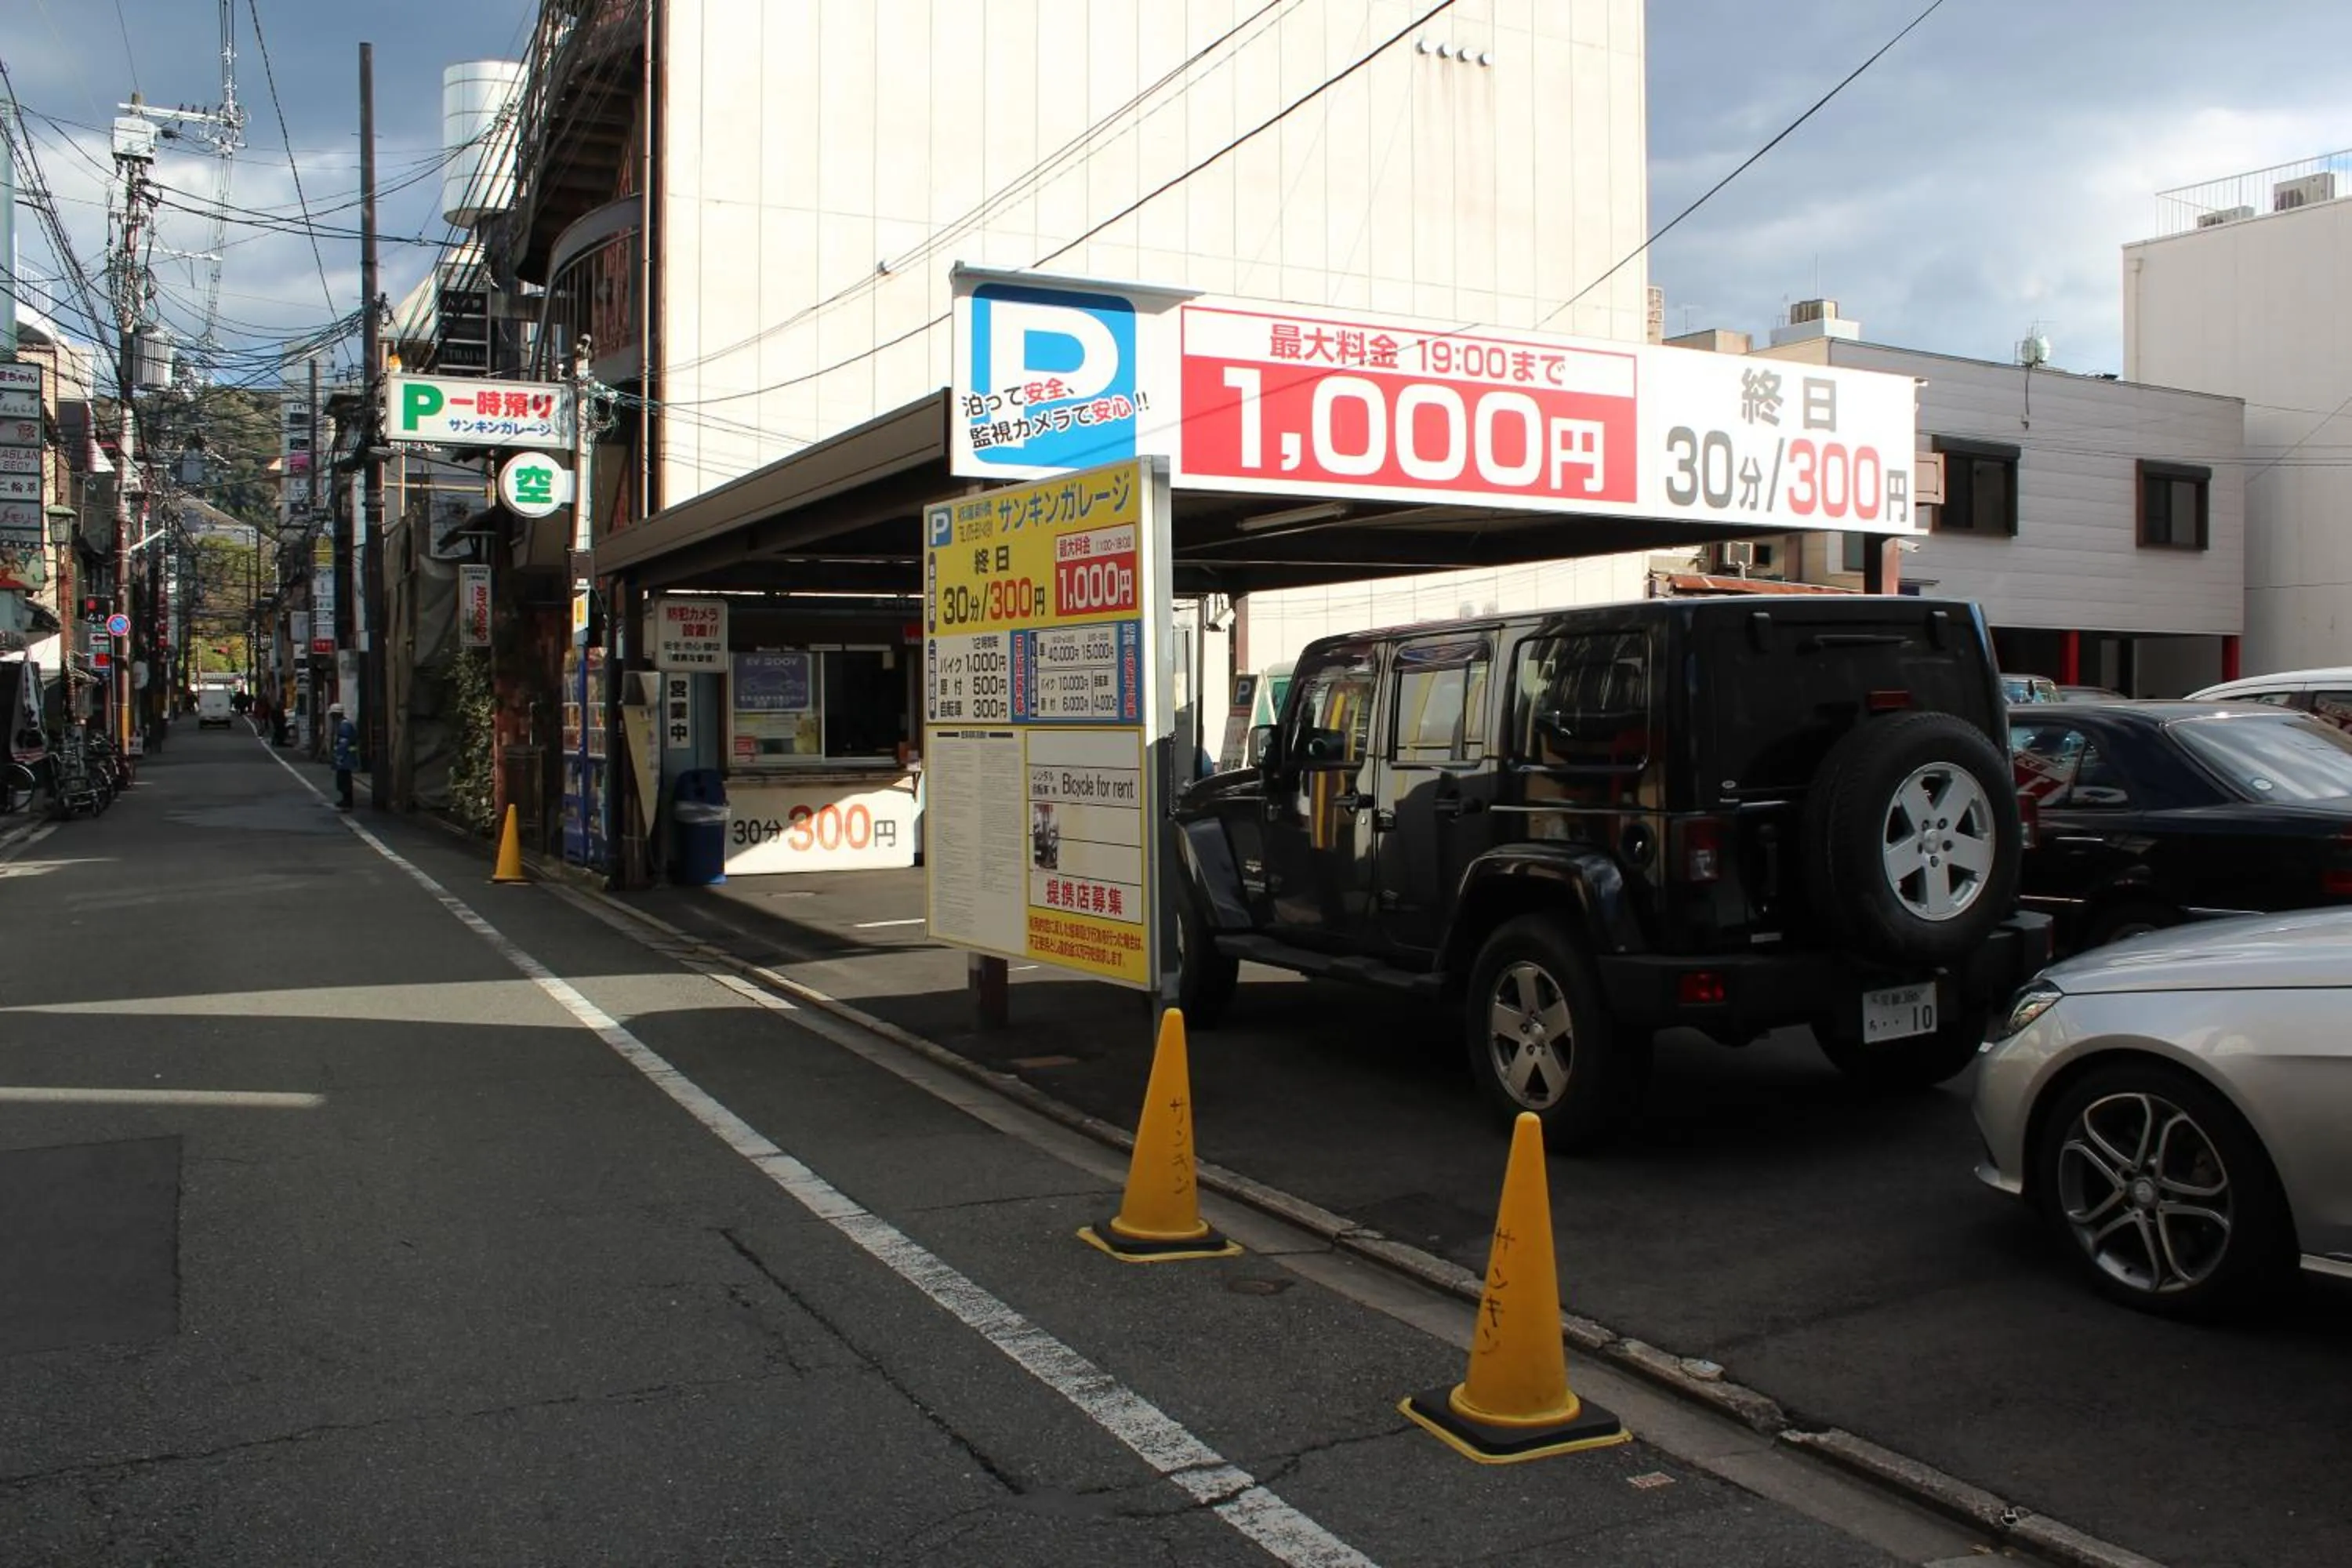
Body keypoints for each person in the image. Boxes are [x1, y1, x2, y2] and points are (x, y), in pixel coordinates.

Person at [328, 702, 358, 810]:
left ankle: (347, 800)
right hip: (347, 757)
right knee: (343, 779)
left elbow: (343, 743)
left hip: (346, 757)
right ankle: (346, 799)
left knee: (344, 779)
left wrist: (339, 757)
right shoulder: (344, 724)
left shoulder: (344, 726)